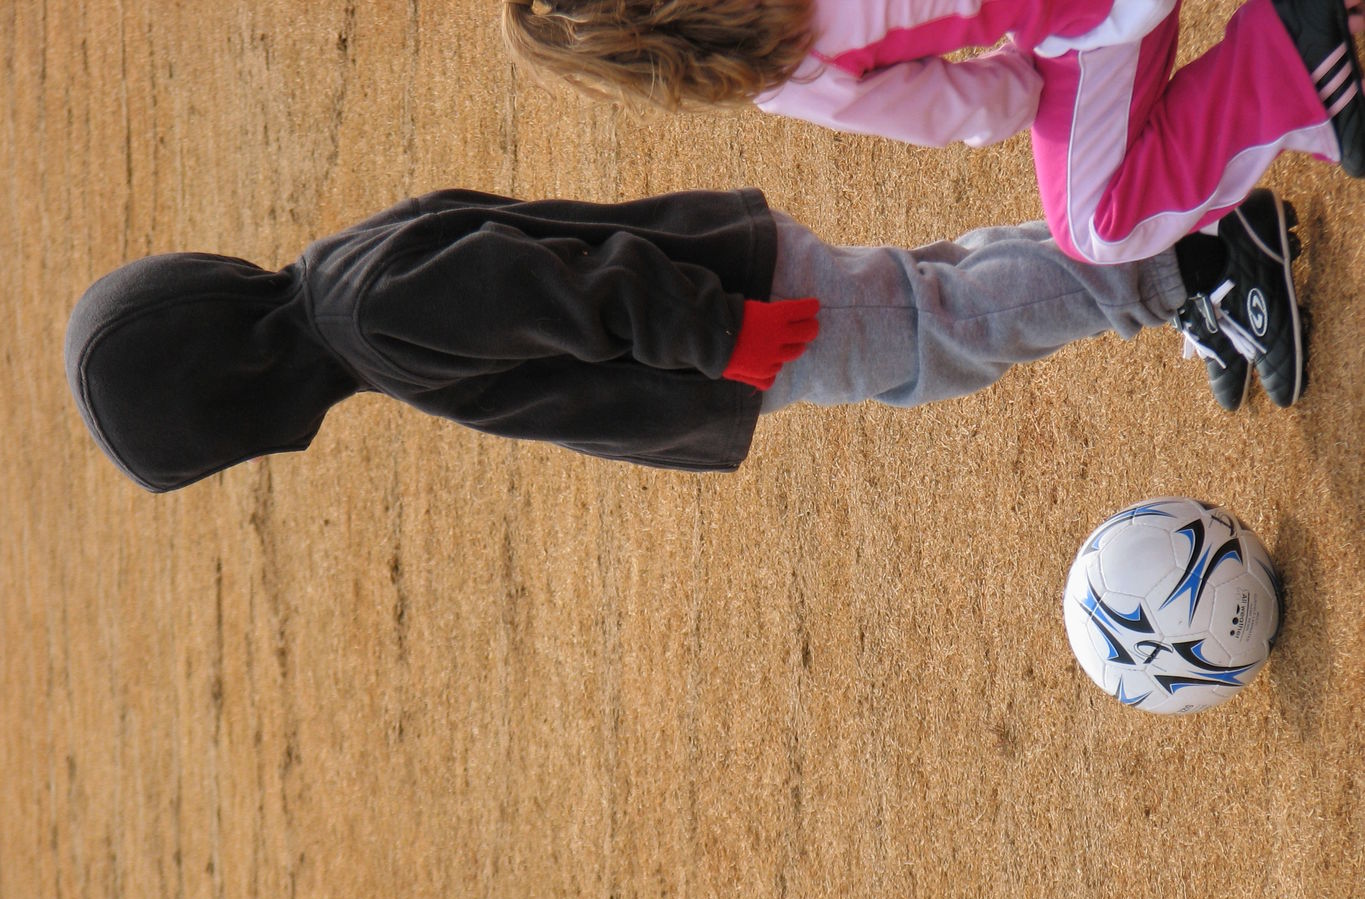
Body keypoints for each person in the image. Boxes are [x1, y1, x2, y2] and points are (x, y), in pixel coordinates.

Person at [64, 185, 1303, 494]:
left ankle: (1199, 263)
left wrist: (722, 338)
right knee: (940, 297)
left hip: (734, 321)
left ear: (237, 401)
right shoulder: (336, 292)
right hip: (725, 310)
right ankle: (1176, 250)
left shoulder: (369, 318)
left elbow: (559, 284)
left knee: (940, 334)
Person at [501, 0, 1365, 266]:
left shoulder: (791, 68)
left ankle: (1294, 60)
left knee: (1098, 224)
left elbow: (989, 105)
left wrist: (1021, 51)